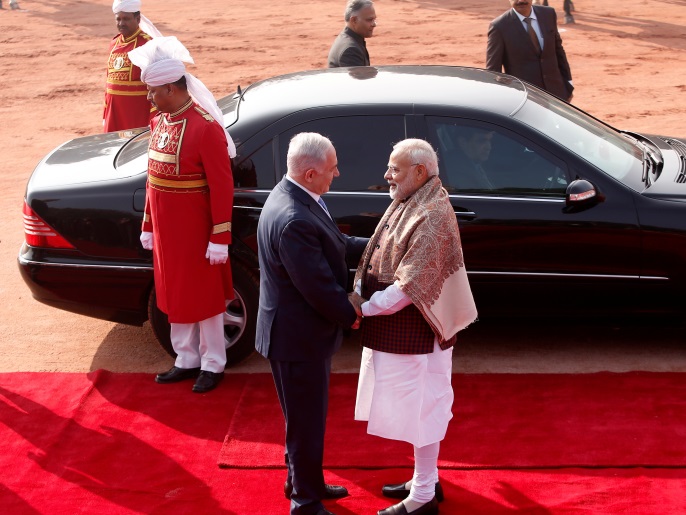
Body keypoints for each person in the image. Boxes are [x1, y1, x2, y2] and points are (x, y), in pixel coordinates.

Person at [349, 139, 477, 515]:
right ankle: (427, 479)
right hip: (410, 333)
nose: (387, 175)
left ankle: (422, 497)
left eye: (395, 169)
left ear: (420, 172)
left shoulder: (432, 212)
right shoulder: (414, 197)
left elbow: (409, 287)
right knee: (423, 409)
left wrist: (362, 308)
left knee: (423, 412)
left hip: (419, 333)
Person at [256, 132, 368, 515]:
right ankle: (304, 501)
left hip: (294, 335)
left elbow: (334, 243)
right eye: (331, 168)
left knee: (303, 419)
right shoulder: (295, 220)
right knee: (305, 422)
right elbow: (318, 287)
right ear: (308, 172)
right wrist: (351, 314)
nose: (337, 173)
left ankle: (303, 481)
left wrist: (381, 244)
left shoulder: (294, 198)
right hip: (297, 339)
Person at [129, 36, 237, 393]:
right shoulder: (158, 121)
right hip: (167, 234)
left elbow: (222, 188)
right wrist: (148, 224)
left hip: (196, 232)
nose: (149, 98)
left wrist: (219, 237)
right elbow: (153, 179)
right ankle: (185, 358)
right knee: (174, 294)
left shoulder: (207, 128)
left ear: (172, 90)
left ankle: (212, 363)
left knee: (203, 299)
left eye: (153, 92)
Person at [486, 0, 574, 101]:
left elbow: (559, 51)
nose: (521, 1)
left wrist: (568, 85)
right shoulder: (499, 26)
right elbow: (493, 72)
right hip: (526, 99)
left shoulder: (548, 14)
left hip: (558, 94)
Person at [104, 0, 162, 132]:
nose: (121, 23)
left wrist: (153, 118)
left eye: (126, 19)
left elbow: (157, 85)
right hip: (113, 114)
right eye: (118, 19)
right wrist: (106, 113)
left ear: (137, 19)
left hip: (137, 115)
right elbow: (108, 82)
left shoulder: (148, 44)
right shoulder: (114, 43)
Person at [327, 0, 376, 68]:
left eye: (374, 20)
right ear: (354, 20)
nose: (374, 24)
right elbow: (360, 78)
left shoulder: (347, 38)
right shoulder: (351, 50)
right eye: (369, 20)